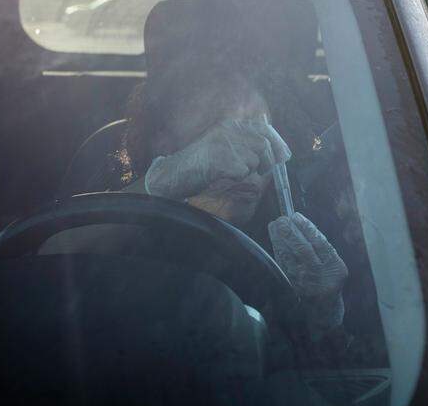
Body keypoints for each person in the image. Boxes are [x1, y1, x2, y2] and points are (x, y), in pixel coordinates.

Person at [122, 64, 349, 337]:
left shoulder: (310, 241)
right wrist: (158, 183)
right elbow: (61, 252)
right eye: (215, 131)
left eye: (260, 133)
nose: (247, 162)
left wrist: (325, 314)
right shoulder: (123, 229)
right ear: (161, 142)